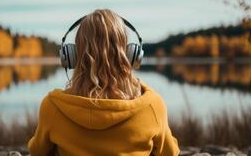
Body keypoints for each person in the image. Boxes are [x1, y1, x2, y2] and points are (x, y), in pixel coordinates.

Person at [28, 9, 180, 156]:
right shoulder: (153, 106)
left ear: (73, 56)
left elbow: (37, 151)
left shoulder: (52, 107)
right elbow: (171, 153)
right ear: (130, 55)